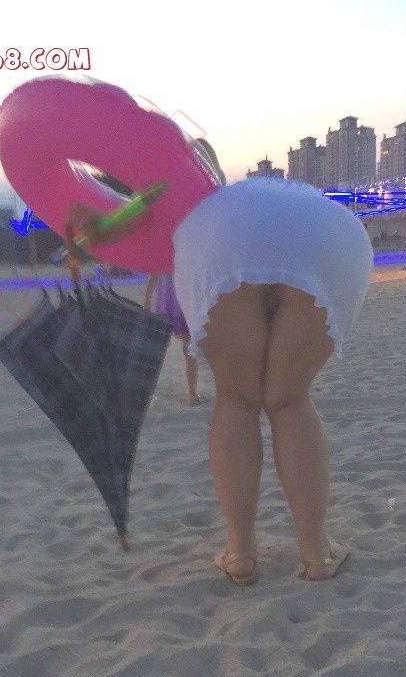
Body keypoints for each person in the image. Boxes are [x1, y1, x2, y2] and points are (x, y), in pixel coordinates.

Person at [68, 146, 373, 586]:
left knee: (237, 399)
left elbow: (135, 218)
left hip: (224, 242)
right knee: (288, 401)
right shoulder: (227, 192)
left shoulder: (197, 202)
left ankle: (241, 553)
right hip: (328, 236)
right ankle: (316, 552)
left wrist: (96, 222)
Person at [144, 274, 201, 405]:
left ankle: (146, 390)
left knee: (158, 347)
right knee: (189, 346)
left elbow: (154, 272)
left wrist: (147, 298)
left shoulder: (164, 258)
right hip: (186, 297)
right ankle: (192, 392)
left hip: (168, 299)